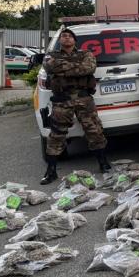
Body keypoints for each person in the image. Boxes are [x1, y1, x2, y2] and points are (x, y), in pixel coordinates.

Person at [40, 29, 110, 184]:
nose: (66, 38)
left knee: (94, 130)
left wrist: (64, 69)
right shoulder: (51, 55)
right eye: (63, 36)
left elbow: (89, 68)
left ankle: (103, 163)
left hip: (83, 99)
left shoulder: (86, 54)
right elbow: (50, 67)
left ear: (75, 40)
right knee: (56, 135)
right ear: (60, 40)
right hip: (62, 100)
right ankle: (51, 171)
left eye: (70, 36)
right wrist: (76, 68)